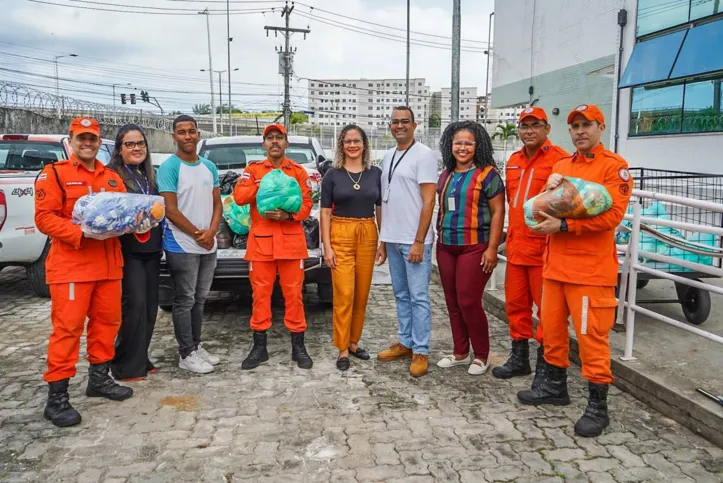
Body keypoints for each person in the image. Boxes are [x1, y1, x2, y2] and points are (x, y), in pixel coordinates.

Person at [517, 104, 633, 438]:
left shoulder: (615, 167)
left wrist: (565, 225)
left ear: (601, 127)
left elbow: (612, 216)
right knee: (551, 332)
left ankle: (598, 407)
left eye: (587, 125)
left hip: (590, 272)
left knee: (591, 340)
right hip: (555, 268)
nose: (580, 131)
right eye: (575, 126)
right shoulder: (562, 165)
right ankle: (554, 388)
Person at [34, 117, 137, 427]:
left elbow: (124, 215)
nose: (88, 143)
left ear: (99, 140)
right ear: (71, 140)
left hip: (108, 266)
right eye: (82, 138)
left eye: (93, 138)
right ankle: (57, 398)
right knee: (67, 329)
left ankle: (99, 379)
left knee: (107, 323)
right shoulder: (54, 174)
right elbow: (44, 218)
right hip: (72, 266)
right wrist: (82, 234)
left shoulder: (112, 178)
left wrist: (138, 221)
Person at [492, 107, 569, 386]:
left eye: (535, 125)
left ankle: (545, 367)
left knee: (548, 312)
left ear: (547, 128)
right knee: (516, 306)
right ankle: (519, 359)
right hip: (516, 248)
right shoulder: (513, 160)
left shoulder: (560, 160)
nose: (529, 131)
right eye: (524, 126)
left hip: (544, 251)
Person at [233, 123, 315, 370]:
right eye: (270, 138)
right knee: (260, 296)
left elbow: (307, 205)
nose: (275, 142)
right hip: (261, 245)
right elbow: (239, 197)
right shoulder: (253, 170)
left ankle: (298, 347)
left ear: (286, 143)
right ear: (264, 144)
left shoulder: (298, 171)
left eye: (280, 138)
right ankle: (259, 348)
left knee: (294, 296)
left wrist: (289, 216)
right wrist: (267, 184)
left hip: (291, 244)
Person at [434, 121, 505, 375]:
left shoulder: (488, 175)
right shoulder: (446, 174)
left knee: (468, 300)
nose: (462, 148)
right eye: (458, 142)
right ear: (449, 145)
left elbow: (498, 213)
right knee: (452, 301)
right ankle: (460, 352)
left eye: (468, 143)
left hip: (475, 247)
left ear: (478, 146)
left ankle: (482, 355)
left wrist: (492, 249)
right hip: (445, 246)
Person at [157, 115, 222, 374]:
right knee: (184, 299)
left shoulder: (208, 166)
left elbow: (218, 203)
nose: (187, 136)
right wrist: (198, 234)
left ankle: (196, 346)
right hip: (181, 244)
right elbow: (170, 210)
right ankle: (185, 353)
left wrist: (212, 231)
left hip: (208, 244)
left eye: (191, 131)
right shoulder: (169, 167)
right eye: (181, 132)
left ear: (198, 135)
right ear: (174, 136)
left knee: (200, 299)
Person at [376, 106, 438, 378]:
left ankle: (421, 350)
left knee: (419, 297)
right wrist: (382, 239)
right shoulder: (387, 156)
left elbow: (429, 200)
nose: (399, 126)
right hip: (392, 238)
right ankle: (405, 342)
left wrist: (419, 240)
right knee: (400, 294)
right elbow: (384, 201)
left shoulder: (424, 155)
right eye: (395, 122)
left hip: (415, 241)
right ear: (390, 126)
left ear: (415, 125)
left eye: (405, 122)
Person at [320, 125, 382, 371]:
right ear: (341, 145)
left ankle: (354, 342)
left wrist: (383, 241)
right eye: (347, 141)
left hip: (368, 232)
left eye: (357, 140)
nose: (353, 145)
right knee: (344, 294)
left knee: (361, 293)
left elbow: (380, 208)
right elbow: (324, 212)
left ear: (364, 144)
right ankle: (342, 348)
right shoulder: (332, 175)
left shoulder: (375, 173)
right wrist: (327, 246)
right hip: (340, 232)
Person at [106, 124, 163, 381]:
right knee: (135, 306)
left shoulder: (147, 174)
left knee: (151, 307)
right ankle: (124, 364)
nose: (137, 148)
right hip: (128, 251)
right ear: (120, 149)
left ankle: (141, 356)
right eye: (130, 144)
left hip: (150, 249)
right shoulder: (112, 175)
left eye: (140, 143)